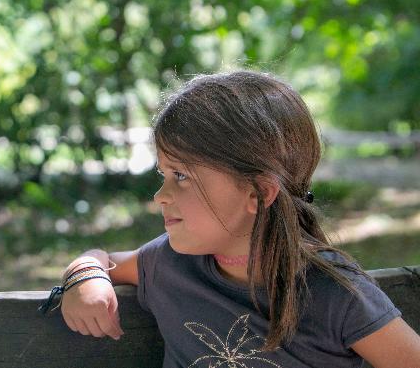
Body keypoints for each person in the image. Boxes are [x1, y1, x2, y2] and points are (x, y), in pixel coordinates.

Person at [57, 71, 420, 367]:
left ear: (259, 193)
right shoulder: (166, 264)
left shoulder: (334, 294)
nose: (160, 196)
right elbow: (101, 260)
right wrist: (83, 276)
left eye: (181, 176)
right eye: (163, 175)